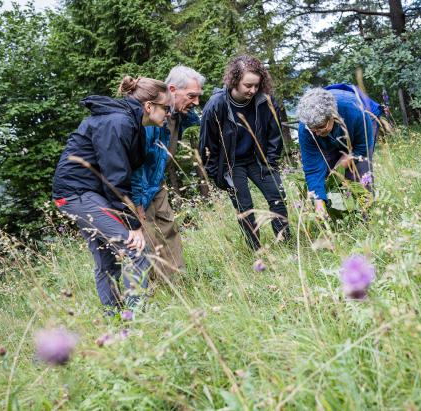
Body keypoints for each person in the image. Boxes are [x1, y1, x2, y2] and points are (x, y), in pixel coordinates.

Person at [52, 76, 172, 313]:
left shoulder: (129, 121)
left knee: (106, 260)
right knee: (136, 249)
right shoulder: (118, 122)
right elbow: (115, 178)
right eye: (166, 108)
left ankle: (115, 319)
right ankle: (137, 320)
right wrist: (133, 224)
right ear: (149, 106)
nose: (169, 113)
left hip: (83, 193)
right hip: (77, 194)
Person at [199, 55, 290, 250]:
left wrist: (271, 162)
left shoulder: (265, 100)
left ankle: (287, 243)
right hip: (232, 165)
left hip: (259, 160)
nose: (253, 90)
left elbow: (275, 135)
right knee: (245, 207)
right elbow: (207, 145)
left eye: (256, 85)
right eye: (248, 85)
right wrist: (217, 174)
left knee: (278, 197)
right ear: (234, 80)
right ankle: (256, 250)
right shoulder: (216, 105)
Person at [132, 66, 205, 276]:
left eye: (198, 96)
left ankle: (177, 281)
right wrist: (138, 202)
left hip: (157, 182)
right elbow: (136, 163)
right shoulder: (150, 116)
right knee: (148, 237)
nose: (196, 102)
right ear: (172, 89)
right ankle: (154, 288)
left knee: (169, 229)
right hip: (139, 185)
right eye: (192, 96)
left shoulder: (179, 115)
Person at [296, 84, 383, 218]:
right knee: (329, 174)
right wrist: (318, 200)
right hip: (334, 129)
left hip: (363, 120)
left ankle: (366, 216)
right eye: (312, 129)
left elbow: (361, 148)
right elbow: (313, 167)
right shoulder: (307, 128)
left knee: (359, 171)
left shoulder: (355, 110)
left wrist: (344, 162)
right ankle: (340, 215)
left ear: (332, 116)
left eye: (320, 127)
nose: (317, 134)